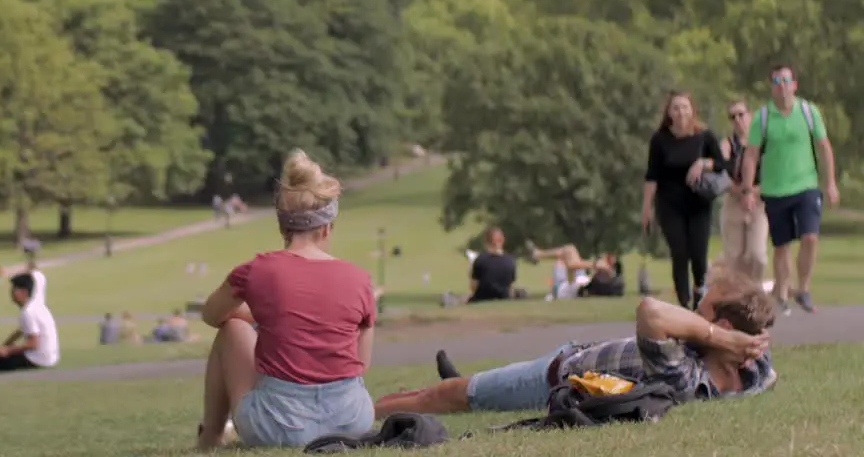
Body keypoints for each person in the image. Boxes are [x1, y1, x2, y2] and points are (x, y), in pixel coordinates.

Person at [374, 268, 778, 418]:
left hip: (557, 379)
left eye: (700, 310)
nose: (691, 313)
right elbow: (768, 375)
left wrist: (719, 338)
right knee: (468, 390)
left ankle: (362, 416)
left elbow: (651, 312)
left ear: (723, 327)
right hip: (577, 352)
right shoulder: (754, 368)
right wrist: (736, 343)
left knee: (450, 394)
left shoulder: (686, 376)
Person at [196, 149, 376, 450]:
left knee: (233, 328)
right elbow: (361, 363)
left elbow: (212, 315)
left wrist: (259, 314)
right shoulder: (360, 279)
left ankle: (211, 435)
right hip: (352, 420)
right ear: (327, 227)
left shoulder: (256, 271)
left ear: (282, 225)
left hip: (279, 426)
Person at [740, 65, 839, 315]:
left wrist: (830, 183)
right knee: (781, 245)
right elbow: (751, 155)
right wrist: (748, 189)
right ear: (771, 87)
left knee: (810, 237)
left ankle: (803, 289)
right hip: (774, 190)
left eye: (786, 80)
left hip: (806, 186)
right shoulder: (762, 117)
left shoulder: (808, 112)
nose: (781, 85)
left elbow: (824, 147)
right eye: (776, 81)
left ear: (794, 84)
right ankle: (782, 290)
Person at [642, 90, 728, 309]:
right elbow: (652, 176)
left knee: (698, 255)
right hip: (670, 204)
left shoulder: (704, 136)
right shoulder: (660, 139)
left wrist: (703, 163)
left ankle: (700, 293)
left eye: (684, 107)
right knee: (679, 252)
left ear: (692, 110)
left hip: (698, 203)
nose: (681, 112)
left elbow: (722, 164)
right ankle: (683, 300)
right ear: (669, 112)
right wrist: (647, 208)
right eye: (676, 108)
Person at [719, 99, 768, 282]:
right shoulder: (728, 144)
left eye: (741, 114)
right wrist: (740, 191)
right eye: (733, 117)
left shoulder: (764, 143)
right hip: (734, 201)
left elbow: (773, 173)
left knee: (757, 256)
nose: (738, 120)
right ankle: (738, 296)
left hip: (759, 202)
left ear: (751, 115)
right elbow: (721, 170)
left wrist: (752, 192)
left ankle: (753, 289)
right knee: (734, 256)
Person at [0, 272, 60, 372]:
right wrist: (4, 345)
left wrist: (9, 351)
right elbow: (20, 331)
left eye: (14, 289)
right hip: (50, 358)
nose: (11, 293)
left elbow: (33, 344)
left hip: (37, 359)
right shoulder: (36, 306)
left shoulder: (28, 312)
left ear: (24, 292)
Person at [526, 243, 621, 299]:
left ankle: (538, 254)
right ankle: (538, 254)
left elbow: (571, 266)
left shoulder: (575, 288)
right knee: (568, 252)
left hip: (562, 284)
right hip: (580, 278)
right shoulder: (589, 282)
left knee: (568, 252)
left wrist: (595, 264)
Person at [466, 228, 517, 303]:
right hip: (504, 298)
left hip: (481, 298)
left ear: (486, 242)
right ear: (502, 241)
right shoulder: (511, 261)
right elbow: (510, 286)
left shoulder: (480, 260)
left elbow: (473, 287)